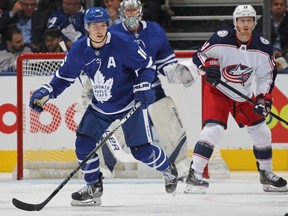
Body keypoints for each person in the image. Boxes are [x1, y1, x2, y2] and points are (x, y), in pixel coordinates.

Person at [29, 7, 178, 206]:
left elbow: (147, 65)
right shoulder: (80, 49)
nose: (99, 30)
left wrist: (143, 85)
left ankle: (168, 168)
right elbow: (64, 77)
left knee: (141, 151)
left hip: (129, 104)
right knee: (83, 144)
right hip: (100, 105)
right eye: (94, 26)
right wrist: (45, 92)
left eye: (102, 25)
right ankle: (93, 187)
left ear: (107, 26)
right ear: (87, 28)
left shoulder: (123, 43)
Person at [184, 4, 287, 194]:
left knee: (263, 132)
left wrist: (263, 98)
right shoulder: (220, 38)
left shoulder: (263, 47)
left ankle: (266, 174)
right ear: (235, 22)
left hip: (244, 95)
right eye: (242, 20)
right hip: (218, 91)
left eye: (249, 20)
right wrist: (207, 66)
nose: (246, 24)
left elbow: (267, 76)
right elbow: (198, 56)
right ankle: (194, 174)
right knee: (212, 130)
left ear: (254, 23)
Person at [109, 0, 197, 177]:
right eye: (128, 10)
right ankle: (104, 169)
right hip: (123, 93)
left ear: (141, 12)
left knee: (169, 115)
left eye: (134, 10)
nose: (131, 14)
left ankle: (181, 164)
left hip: (151, 89)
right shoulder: (112, 34)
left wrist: (181, 73)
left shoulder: (155, 31)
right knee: (112, 127)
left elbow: (166, 64)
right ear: (121, 13)